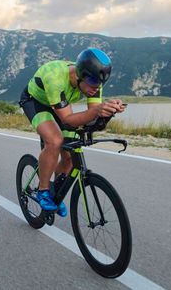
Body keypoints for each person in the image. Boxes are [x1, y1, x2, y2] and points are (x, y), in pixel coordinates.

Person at [19, 48, 126, 217]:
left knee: (70, 152)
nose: (95, 88)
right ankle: (43, 190)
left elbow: (91, 120)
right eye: (91, 82)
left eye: (99, 83)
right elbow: (68, 119)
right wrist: (97, 110)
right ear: (79, 74)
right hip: (36, 102)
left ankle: (55, 193)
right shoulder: (55, 78)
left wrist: (108, 112)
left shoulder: (93, 81)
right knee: (54, 141)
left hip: (61, 105)